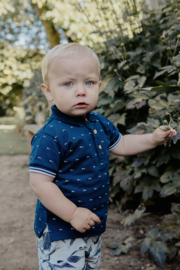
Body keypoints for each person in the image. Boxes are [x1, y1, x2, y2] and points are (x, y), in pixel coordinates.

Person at [29, 43, 177, 270]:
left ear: (98, 85)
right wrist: (72, 214)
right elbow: (40, 183)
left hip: (92, 222)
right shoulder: (51, 135)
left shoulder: (99, 123)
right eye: (68, 84)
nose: (81, 91)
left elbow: (123, 143)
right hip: (61, 228)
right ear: (48, 91)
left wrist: (153, 139)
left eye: (88, 83)